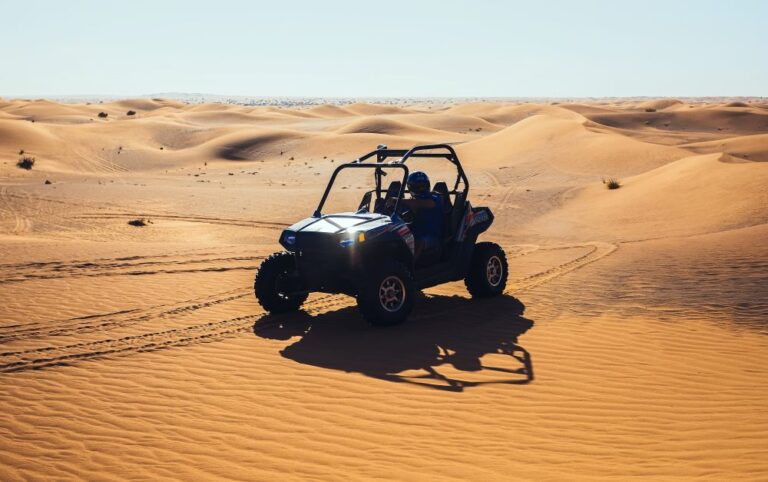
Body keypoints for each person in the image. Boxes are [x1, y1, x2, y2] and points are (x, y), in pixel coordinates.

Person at [401, 171, 443, 261]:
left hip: (432, 237)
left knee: (418, 242)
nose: (421, 188)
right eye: (418, 186)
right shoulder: (411, 201)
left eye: (423, 185)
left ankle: (411, 268)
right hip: (413, 233)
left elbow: (428, 204)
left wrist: (401, 201)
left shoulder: (435, 197)